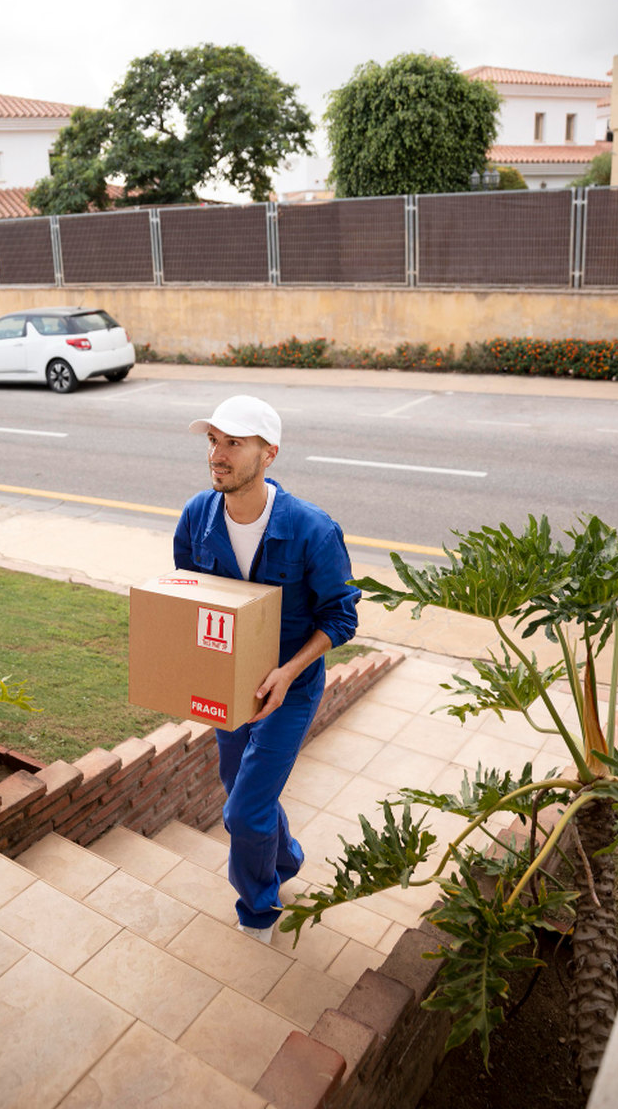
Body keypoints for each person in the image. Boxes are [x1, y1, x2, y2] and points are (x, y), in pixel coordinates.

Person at [174, 394, 360, 943]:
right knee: (240, 788)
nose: (217, 454)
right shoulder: (197, 516)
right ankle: (285, 858)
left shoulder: (312, 530)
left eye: (233, 443)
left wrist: (288, 671)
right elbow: (191, 593)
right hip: (230, 685)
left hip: (289, 689)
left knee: (243, 812)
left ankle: (258, 909)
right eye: (214, 440)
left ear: (269, 453)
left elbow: (341, 618)